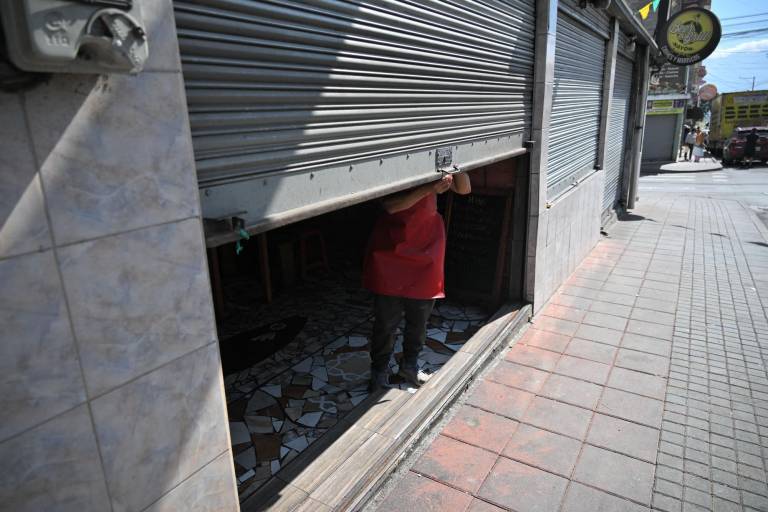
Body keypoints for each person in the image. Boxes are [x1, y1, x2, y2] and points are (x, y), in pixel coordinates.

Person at [363, 172, 471, 392]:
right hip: (390, 248)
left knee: (419, 319)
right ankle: (379, 370)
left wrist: (457, 164)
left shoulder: (436, 162)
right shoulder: (393, 162)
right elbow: (392, 206)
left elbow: (464, 189)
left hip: (427, 248)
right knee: (386, 322)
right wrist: (431, 188)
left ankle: (409, 366)